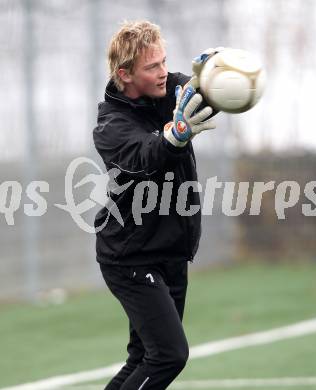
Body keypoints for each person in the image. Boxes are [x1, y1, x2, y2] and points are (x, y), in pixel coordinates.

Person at [93, 20, 217, 390]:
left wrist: (215, 75)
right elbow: (144, 155)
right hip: (131, 257)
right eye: (153, 67)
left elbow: (203, 95)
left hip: (171, 251)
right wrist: (174, 136)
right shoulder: (110, 125)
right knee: (168, 355)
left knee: (143, 357)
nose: (164, 72)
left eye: (165, 62)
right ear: (125, 74)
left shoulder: (169, 91)